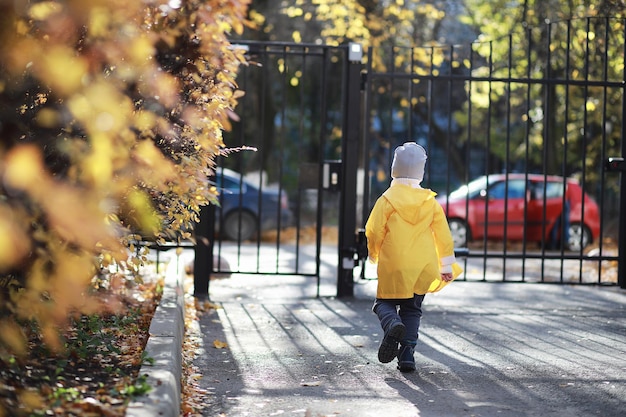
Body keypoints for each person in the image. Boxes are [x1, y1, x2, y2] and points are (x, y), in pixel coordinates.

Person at [365, 142, 462, 372]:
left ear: (393, 169)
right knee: (412, 309)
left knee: (384, 303)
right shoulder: (430, 201)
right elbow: (443, 235)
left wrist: (374, 253)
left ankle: (392, 323)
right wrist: (445, 264)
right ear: (421, 172)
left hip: (394, 263)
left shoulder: (387, 199)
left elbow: (374, 230)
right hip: (422, 266)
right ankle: (407, 355)